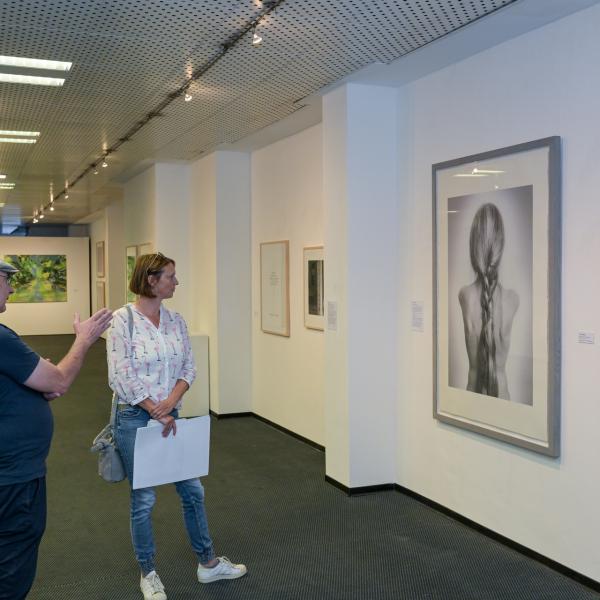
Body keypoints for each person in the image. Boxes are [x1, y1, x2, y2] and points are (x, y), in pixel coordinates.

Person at [107, 252, 246, 600]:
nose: (176, 282)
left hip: (171, 416)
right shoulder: (122, 321)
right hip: (134, 417)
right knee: (143, 499)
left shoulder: (175, 321)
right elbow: (120, 375)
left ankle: (208, 563)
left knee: (192, 491)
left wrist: (171, 403)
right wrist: (155, 408)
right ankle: (148, 572)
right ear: (151, 280)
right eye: (170, 276)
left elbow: (189, 367)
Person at [0, 259, 112, 600]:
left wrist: (36, 380)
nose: (11, 287)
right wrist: (84, 340)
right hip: (13, 478)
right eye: (6, 280)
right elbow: (59, 381)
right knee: (12, 561)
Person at [458, 203, 519, 400]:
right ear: (501, 246)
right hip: (503, 399)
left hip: (472, 400)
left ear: (473, 246)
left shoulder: (465, 295)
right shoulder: (512, 299)